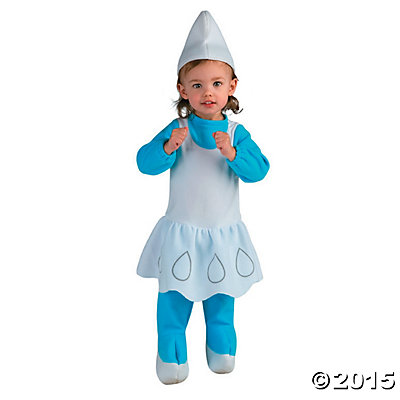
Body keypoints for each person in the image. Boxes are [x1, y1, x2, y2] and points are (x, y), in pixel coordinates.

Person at [136, 11, 270, 384]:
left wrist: (233, 154)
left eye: (216, 83)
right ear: (183, 90)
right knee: (173, 299)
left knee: (222, 297)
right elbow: (144, 163)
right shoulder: (177, 129)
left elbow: (259, 170)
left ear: (232, 87)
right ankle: (171, 356)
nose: (207, 92)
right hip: (181, 232)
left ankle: (222, 350)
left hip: (222, 233)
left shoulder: (236, 133)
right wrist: (167, 147)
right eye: (197, 85)